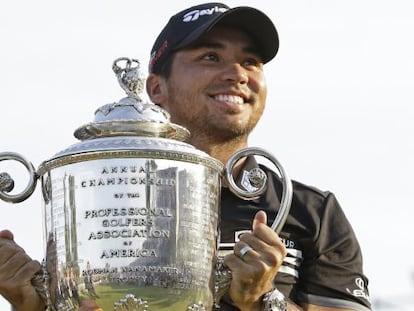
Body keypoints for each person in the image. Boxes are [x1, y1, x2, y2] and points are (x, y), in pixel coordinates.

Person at [0, 2, 372, 311]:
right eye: (211, 57)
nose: (238, 75)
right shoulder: (108, 196)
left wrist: (262, 300)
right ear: (156, 88)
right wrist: (33, 304)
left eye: (251, 61)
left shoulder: (312, 212)